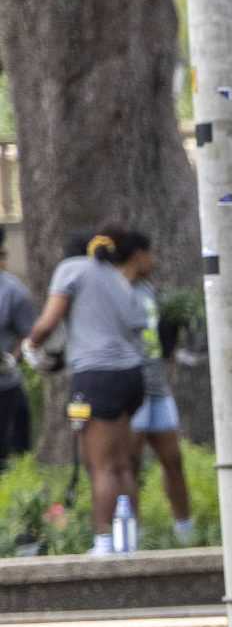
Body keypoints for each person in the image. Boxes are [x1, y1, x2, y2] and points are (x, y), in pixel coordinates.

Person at [26, 228, 155, 554]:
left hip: (96, 376)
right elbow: (138, 323)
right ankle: (131, 541)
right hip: (131, 376)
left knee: (101, 466)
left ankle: (104, 541)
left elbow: (49, 320)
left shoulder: (71, 269)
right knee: (123, 464)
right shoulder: (116, 276)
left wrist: (30, 346)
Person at [128, 284, 196, 545]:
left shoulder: (149, 291)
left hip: (158, 388)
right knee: (130, 464)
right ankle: (132, 536)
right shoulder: (117, 289)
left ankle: (185, 532)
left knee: (173, 460)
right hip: (131, 388)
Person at [0, 227, 35, 463]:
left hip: (4, 388)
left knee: (8, 452)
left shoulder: (13, 292)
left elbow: (29, 334)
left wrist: (11, 360)